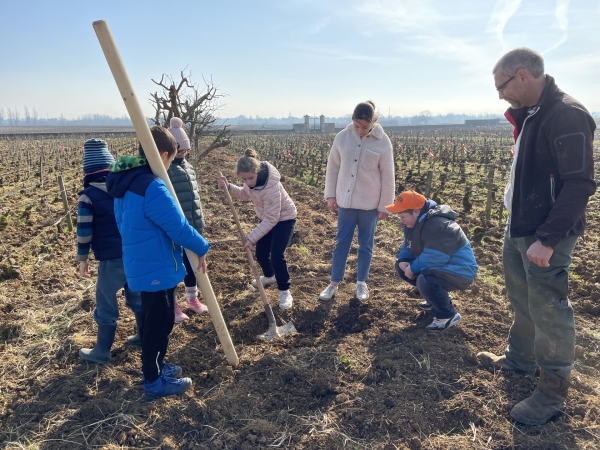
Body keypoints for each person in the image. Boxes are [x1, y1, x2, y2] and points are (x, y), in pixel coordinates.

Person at [477, 48, 596, 425]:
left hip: (546, 234)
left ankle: (552, 392)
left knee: (549, 308)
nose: (500, 95)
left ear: (523, 75)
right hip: (521, 226)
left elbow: (579, 185)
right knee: (522, 298)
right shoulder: (532, 113)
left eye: (502, 86)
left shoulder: (566, 114)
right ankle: (520, 360)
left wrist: (547, 238)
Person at [106, 126, 211, 401]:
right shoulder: (151, 186)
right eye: (170, 160)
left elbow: (123, 224)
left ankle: (157, 366)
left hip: (142, 263)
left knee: (158, 320)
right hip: (155, 266)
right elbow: (178, 227)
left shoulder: (127, 182)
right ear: (163, 155)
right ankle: (153, 380)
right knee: (159, 324)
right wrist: (202, 247)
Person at [320, 100, 395, 302]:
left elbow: (388, 175)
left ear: (373, 122)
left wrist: (385, 206)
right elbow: (333, 168)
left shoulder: (382, 142)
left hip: (369, 204)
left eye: (365, 127)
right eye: (357, 126)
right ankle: (334, 282)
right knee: (341, 243)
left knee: (366, 245)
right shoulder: (342, 138)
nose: (361, 131)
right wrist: (331, 196)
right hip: (345, 202)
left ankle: (361, 283)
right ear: (352, 121)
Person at [77, 139, 142, 364]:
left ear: (87, 171)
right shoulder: (124, 190)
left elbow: (84, 230)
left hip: (111, 258)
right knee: (136, 294)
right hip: (133, 253)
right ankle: (143, 335)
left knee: (105, 300)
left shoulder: (88, 196)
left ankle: (102, 350)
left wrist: (82, 257)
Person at [217, 149, 297, 310]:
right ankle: (270, 276)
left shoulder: (271, 187)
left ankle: (284, 290)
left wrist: (251, 238)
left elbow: (272, 219)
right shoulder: (250, 183)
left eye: (250, 178)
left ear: (257, 172)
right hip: (267, 218)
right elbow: (245, 194)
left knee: (276, 254)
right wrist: (229, 187)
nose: (248, 182)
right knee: (261, 253)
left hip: (284, 219)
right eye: (244, 179)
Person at [386, 191, 478, 331]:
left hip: (459, 269)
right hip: (442, 265)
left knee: (425, 280)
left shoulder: (439, 225)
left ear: (416, 211)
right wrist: (403, 259)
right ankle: (436, 300)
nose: (401, 220)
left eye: (403, 216)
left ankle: (447, 315)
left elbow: (435, 256)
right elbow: (407, 243)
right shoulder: (413, 223)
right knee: (402, 268)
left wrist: (412, 268)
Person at [167, 117, 208, 323]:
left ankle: (193, 299)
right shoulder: (164, 170)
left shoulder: (189, 167)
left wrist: (200, 222)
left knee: (193, 266)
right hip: (176, 229)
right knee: (176, 267)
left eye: (185, 150)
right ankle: (173, 306)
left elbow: (195, 198)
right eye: (179, 150)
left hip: (193, 226)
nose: (182, 153)